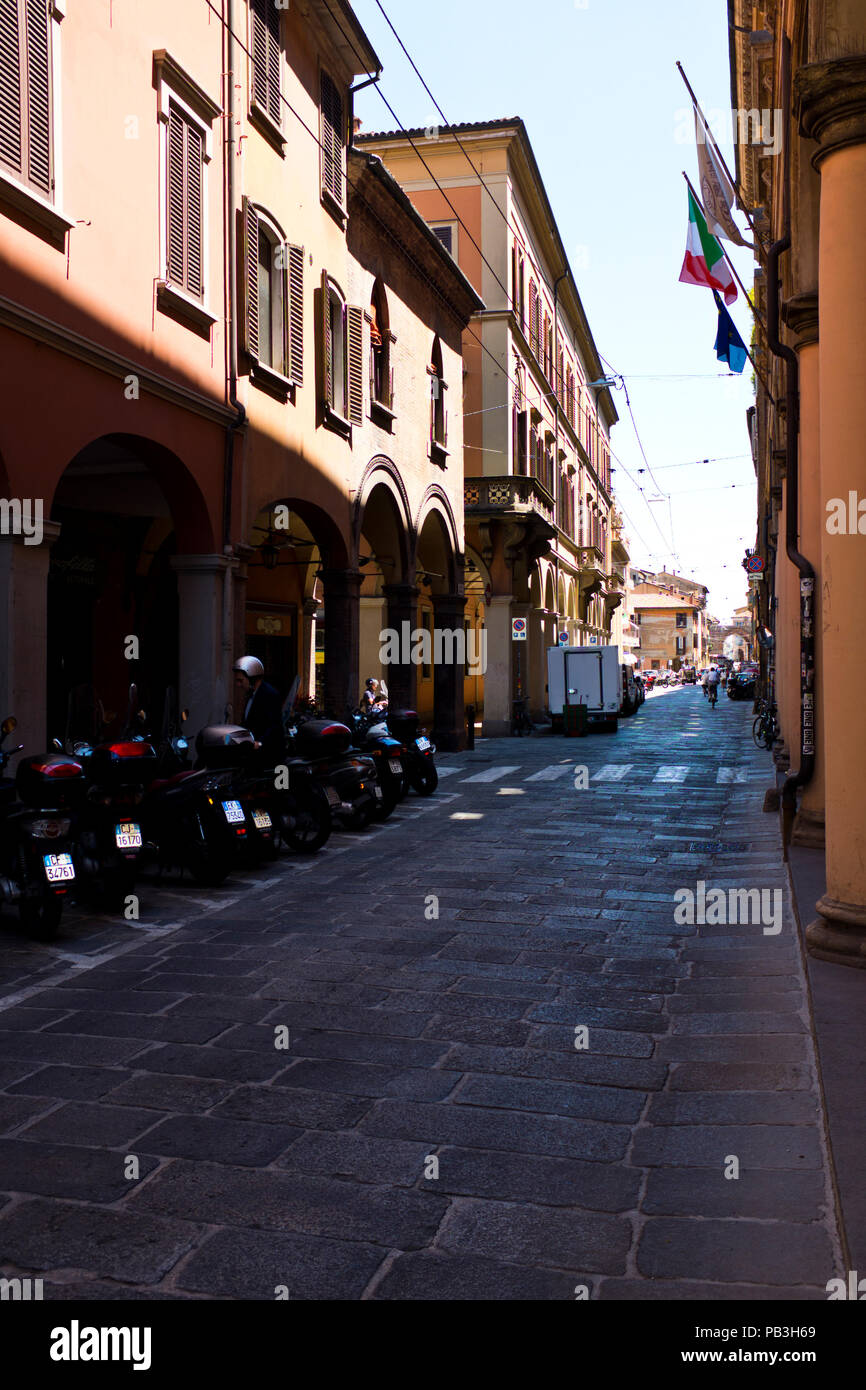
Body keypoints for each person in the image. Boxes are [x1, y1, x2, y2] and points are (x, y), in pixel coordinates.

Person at [233, 656, 284, 763]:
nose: (238, 685)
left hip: (266, 758)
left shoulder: (269, 695)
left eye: (240, 680)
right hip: (252, 756)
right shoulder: (251, 695)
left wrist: (260, 743)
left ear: (252, 678)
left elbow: (275, 726)